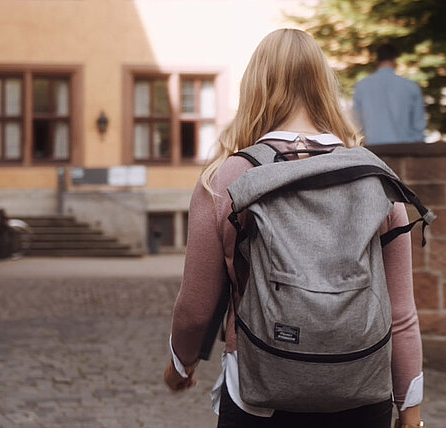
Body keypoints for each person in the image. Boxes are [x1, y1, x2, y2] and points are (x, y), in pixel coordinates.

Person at [164, 29, 425, 428]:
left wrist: (181, 366)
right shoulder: (374, 178)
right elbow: (402, 314)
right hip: (362, 394)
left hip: (257, 394)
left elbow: (196, 309)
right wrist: (411, 414)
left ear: (255, 87)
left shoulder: (229, 177)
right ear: (324, 86)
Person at [352, 43, 427, 145]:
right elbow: (419, 124)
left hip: (373, 149)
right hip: (404, 150)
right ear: (395, 60)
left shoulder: (361, 86)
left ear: (377, 61)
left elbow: (356, 121)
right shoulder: (410, 86)